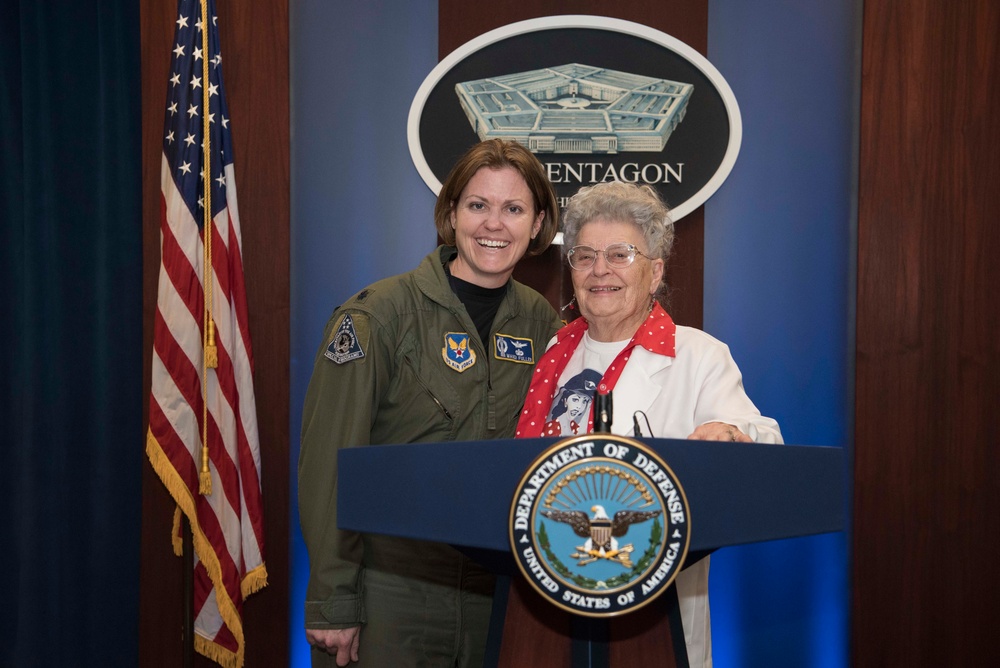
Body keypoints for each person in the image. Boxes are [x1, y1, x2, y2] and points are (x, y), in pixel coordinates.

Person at [298, 139, 562, 667]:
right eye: (477, 205)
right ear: (450, 214)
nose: (494, 224)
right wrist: (334, 600)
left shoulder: (545, 325)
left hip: (503, 592)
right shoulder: (378, 316)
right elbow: (330, 464)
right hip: (394, 589)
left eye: (514, 209)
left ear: (536, 226)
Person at [516, 180, 782, 667]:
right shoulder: (554, 352)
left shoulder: (697, 354)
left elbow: (764, 440)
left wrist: (735, 437)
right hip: (547, 595)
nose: (601, 270)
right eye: (585, 256)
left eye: (620, 254)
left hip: (653, 611)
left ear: (655, 271)